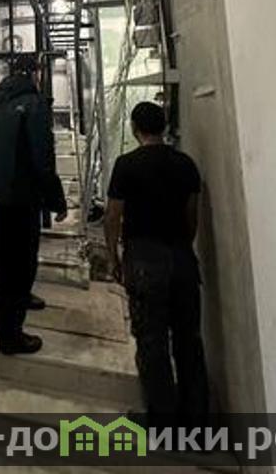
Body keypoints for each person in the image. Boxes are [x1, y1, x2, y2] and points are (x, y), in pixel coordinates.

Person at [104, 101, 209, 422]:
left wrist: (113, 257)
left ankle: (163, 420)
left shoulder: (126, 165)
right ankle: (196, 420)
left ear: (135, 128)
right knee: (188, 340)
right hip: (182, 258)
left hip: (144, 261)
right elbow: (192, 217)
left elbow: (112, 216)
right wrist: (181, 246)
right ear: (163, 127)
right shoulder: (186, 164)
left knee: (152, 343)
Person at [0, 53, 67, 355]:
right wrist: (57, 199)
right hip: (22, 197)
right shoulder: (33, 105)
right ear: (36, 73)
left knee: (6, 262)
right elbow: (43, 158)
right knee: (19, 264)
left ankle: (8, 314)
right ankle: (11, 335)